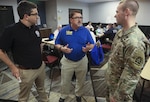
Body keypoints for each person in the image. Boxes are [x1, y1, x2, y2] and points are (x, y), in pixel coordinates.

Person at [0, 1, 48, 102]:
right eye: (35, 14)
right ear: (26, 16)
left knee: (42, 89)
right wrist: (13, 67)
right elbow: (1, 51)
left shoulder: (35, 28)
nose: (38, 17)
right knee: (23, 97)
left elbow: (39, 44)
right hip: (26, 71)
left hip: (40, 67)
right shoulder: (11, 30)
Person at [105, 0, 150, 102]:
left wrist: (117, 97)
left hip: (120, 96)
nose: (115, 15)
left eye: (117, 12)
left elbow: (131, 76)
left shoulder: (135, 42)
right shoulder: (120, 33)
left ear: (126, 12)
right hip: (112, 86)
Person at [55, 10, 94, 102]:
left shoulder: (85, 31)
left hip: (82, 60)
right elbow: (56, 43)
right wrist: (61, 48)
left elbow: (92, 44)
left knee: (81, 80)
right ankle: (63, 95)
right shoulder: (64, 31)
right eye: (77, 18)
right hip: (67, 61)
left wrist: (88, 48)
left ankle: (78, 94)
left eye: (81, 18)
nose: (79, 20)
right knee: (65, 81)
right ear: (71, 20)